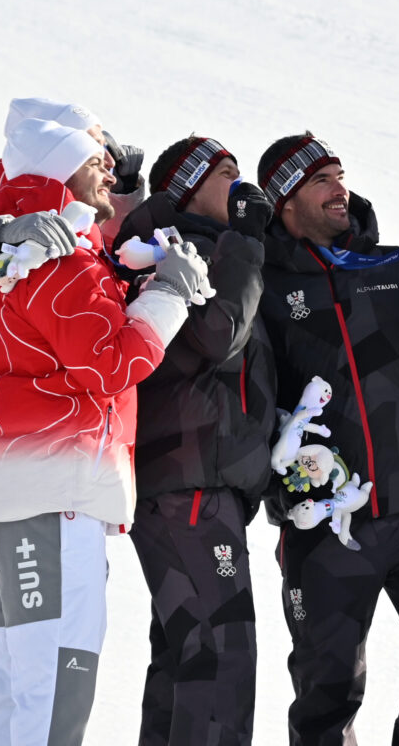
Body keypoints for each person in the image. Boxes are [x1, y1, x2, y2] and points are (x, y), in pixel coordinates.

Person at [0, 118, 209, 745]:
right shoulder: (63, 260)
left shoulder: (39, 251)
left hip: (24, 492)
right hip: (53, 491)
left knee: (18, 681)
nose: (110, 168)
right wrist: (169, 295)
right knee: (57, 682)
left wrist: (129, 276)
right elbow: (111, 365)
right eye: (94, 160)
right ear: (59, 173)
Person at [253, 132, 399, 745]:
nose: (341, 189)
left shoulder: (391, 267)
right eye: (321, 181)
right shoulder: (264, 289)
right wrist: (277, 490)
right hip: (328, 520)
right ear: (285, 203)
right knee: (326, 686)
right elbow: (248, 402)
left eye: (341, 175)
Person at [112, 137, 277, 745]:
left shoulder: (214, 249)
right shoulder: (164, 251)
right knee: (221, 647)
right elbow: (216, 335)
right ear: (184, 187)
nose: (239, 183)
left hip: (203, 479)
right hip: (186, 477)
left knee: (186, 655)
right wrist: (247, 244)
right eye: (225, 172)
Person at [0, 97, 146, 434]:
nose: (111, 161)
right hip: (35, 425)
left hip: (78, 423)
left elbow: (105, 266)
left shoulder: (67, 219)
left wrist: (126, 197)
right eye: (97, 146)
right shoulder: (14, 207)